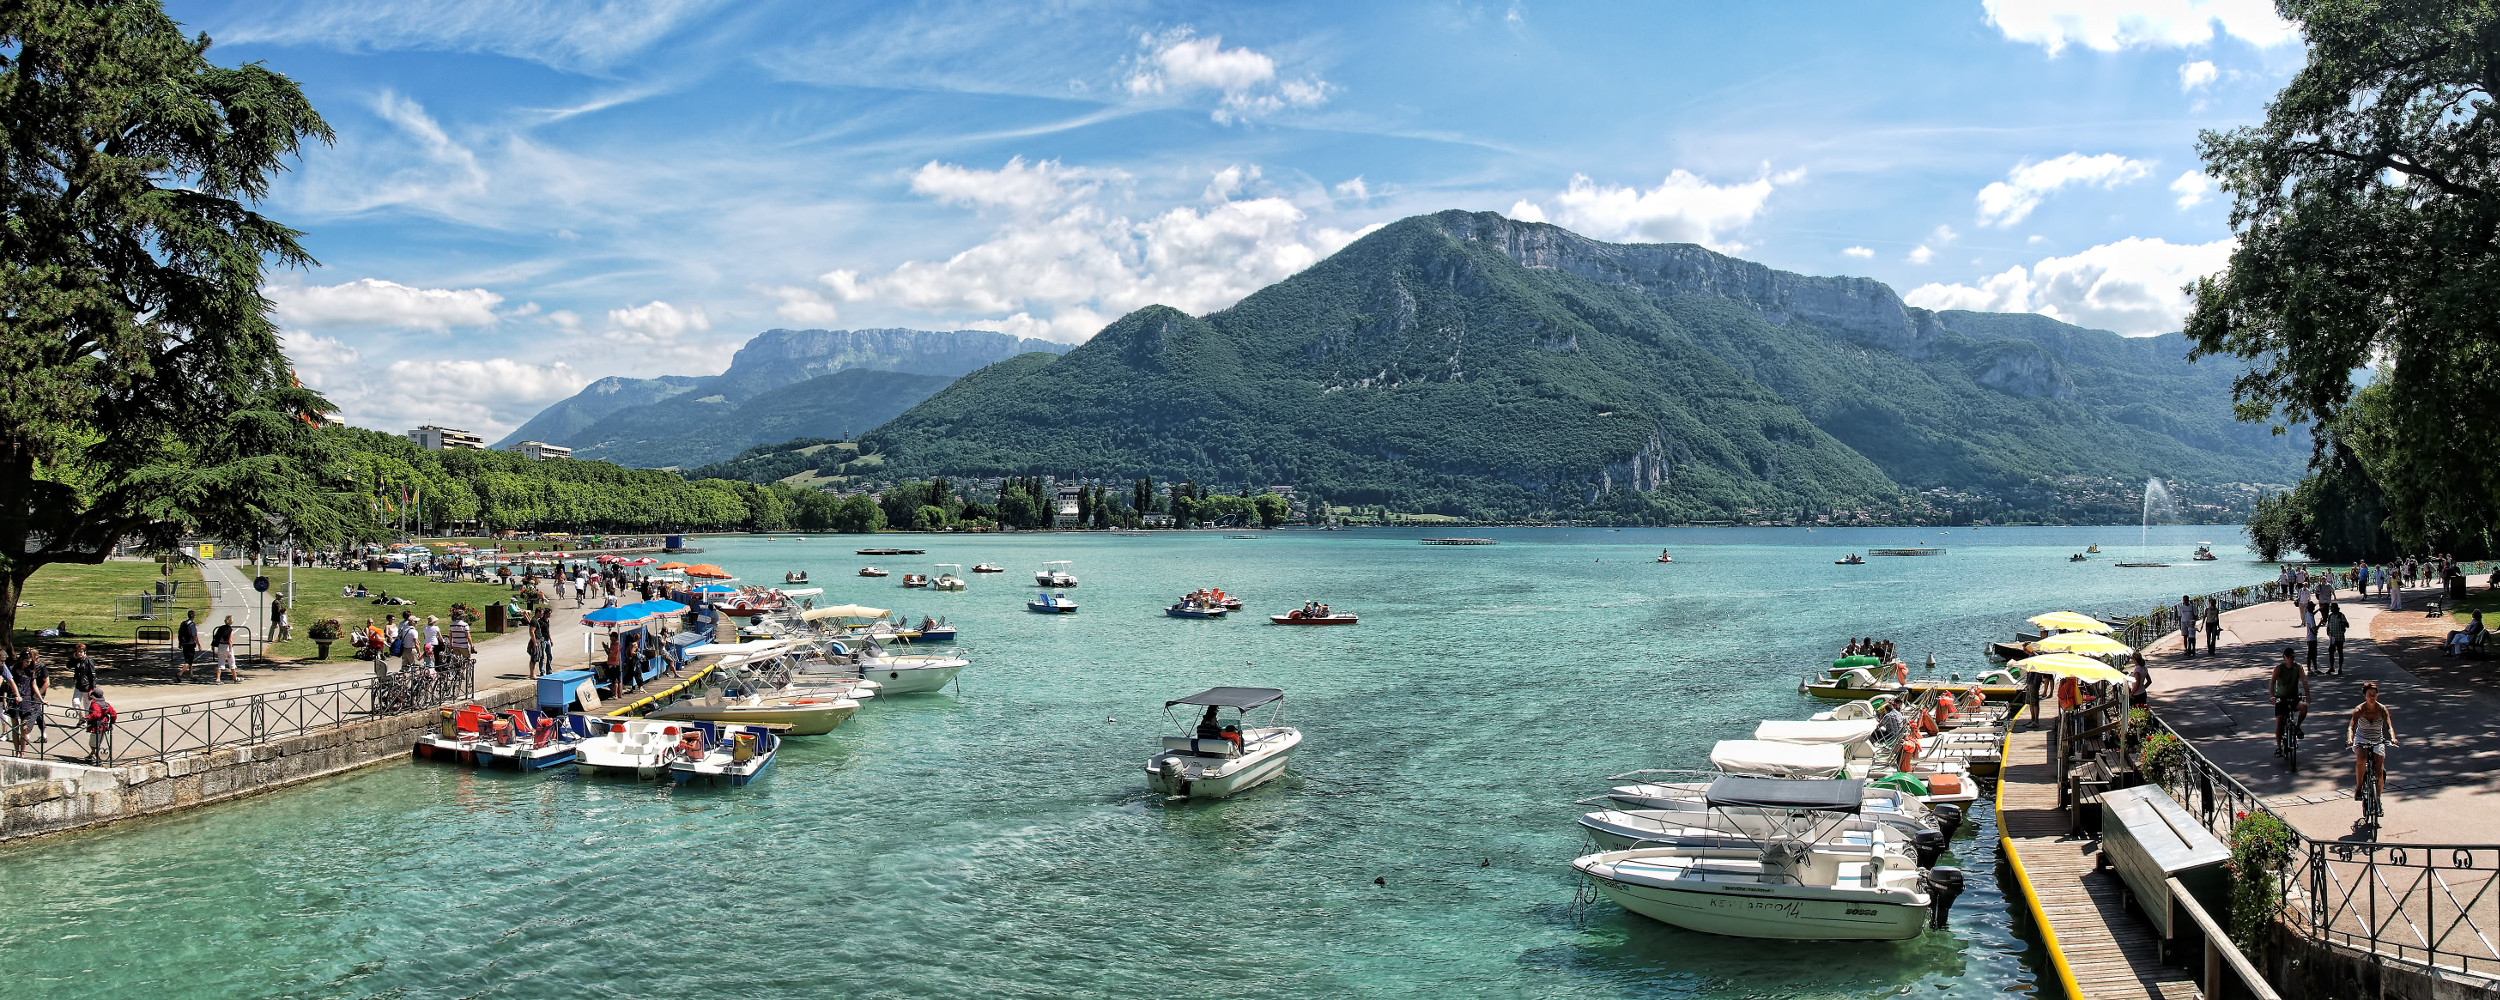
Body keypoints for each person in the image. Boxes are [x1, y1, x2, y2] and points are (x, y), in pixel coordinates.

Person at [2348, 682, 2397, 801]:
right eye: (2369, 694)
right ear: (2365, 696)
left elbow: (2389, 726)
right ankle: (2359, 788)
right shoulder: (2359, 710)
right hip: (2361, 739)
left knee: (2379, 769)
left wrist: (2393, 738)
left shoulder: (2382, 709)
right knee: (2362, 757)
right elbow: (2351, 727)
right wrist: (2350, 739)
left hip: (2377, 740)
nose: (2372, 697)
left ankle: (2377, 798)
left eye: (2374, 694)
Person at [2272, 647, 2309, 757]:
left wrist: (2308, 694)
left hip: (2294, 697)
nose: (2292, 660)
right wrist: (2272, 696)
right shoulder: (2279, 669)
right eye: (2290, 658)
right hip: (2281, 698)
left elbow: (2304, 681)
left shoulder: (2298, 668)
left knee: (2304, 707)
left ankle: (2297, 727)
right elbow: (2272, 682)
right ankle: (2279, 747)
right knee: (2279, 720)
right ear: (2285, 658)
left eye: (2293, 657)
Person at [67, 642, 97, 713]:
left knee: (87, 707)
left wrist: (92, 688)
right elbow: (68, 666)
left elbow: (93, 675)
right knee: (75, 702)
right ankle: (81, 718)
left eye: (81, 651)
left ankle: (87, 721)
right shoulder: (76, 660)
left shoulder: (88, 661)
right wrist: (73, 658)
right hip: (78, 685)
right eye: (78, 651)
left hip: (87, 686)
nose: (79, 653)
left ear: (84, 652)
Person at [2323, 602, 2350, 675]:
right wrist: (2328, 632)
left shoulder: (2341, 615)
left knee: (2340, 652)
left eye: (2331, 607)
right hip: (2333, 638)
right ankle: (2331, 667)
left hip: (2340, 637)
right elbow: (2328, 626)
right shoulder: (2330, 616)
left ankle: (2340, 668)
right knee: (2331, 652)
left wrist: (2342, 623)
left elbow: (2347, 625)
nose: (2330, 609)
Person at [211, 615, 239, 683]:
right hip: (227, 647)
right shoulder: (230, 630)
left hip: (220, 646)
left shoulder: (220, 628)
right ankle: (235, 678)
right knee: (232, 663)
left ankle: (218, 679)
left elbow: (216, 637)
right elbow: (230, 641)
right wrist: (230, 651)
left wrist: (213, 645)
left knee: (220, 664)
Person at [176, 610, 200, 683]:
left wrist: (180, 642)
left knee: (189, 660)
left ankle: (191, 675)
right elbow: (194, 636)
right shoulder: (192, 625)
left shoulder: (183, 623)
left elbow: (179, 633)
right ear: (193, 617)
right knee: (189, 661)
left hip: (184, 644)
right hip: (190, 644)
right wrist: (199, 645)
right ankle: (180, 673)